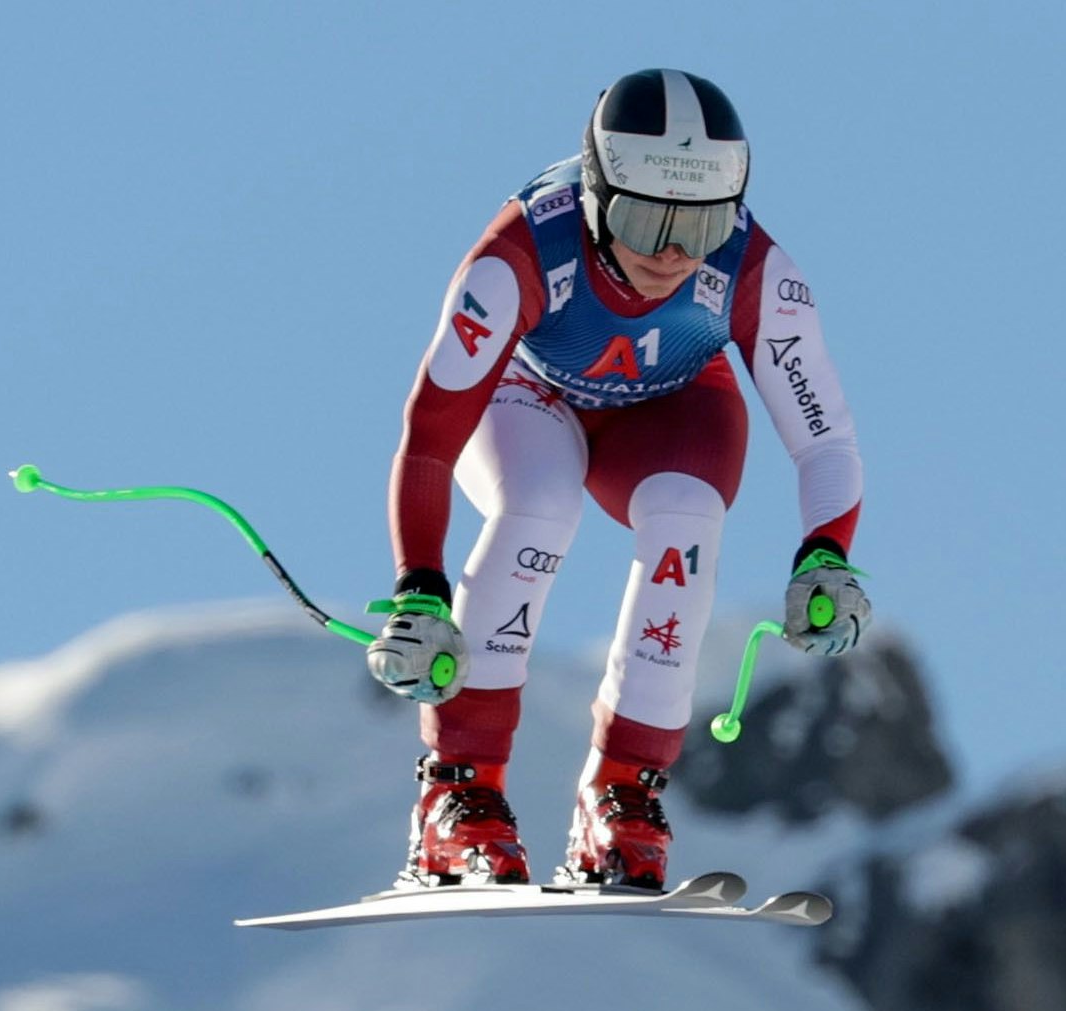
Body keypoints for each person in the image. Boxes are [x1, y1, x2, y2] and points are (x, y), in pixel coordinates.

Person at [362, 68, 868, 891]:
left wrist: (826, 557)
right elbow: (429, 437)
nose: (672, 250)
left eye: (700, 226)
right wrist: (420, 588)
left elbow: (825, 440)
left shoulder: (753, 270)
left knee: (687, 517)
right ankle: (460, 796)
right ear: (597, 195)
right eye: (644, 219)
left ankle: (623, 796)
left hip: (670, 400)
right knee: (539, 506)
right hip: (529, 395)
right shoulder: (519, 253)